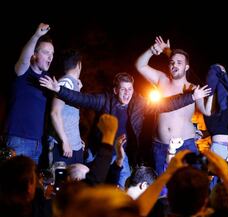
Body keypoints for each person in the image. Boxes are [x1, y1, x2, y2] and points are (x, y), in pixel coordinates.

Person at [39, 72, 210, 188]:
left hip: (122, 153)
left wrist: (192, 97)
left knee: (123, 185)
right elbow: (82, 99)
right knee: (94, 184)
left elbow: (165, 104)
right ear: (115, 90)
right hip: (99, 149)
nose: (127, 93)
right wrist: (59, 89)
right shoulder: (104, 100)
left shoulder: (139, 103)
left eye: (130, 89)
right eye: (123, 89)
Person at [135, 36, 211, 175]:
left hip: (186, 144)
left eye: (179, 63)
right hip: (160, 146)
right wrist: (152, 50)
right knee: (162, 186)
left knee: (191, 183)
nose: (174, 65)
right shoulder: (161, 79)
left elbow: (206, 111)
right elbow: (140, 65)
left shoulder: (193, 88)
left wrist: (211, 91)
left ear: (186, 67)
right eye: (172, 62)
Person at [4, 23, 53, 164]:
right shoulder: (22, 72)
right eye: (45, 52)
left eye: (52, 53)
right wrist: (37, 35)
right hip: (17, 140)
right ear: (34, 54)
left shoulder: (47, 78)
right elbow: (24, 60)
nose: (50, 56)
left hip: (37, 144)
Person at [50, 49, 84, 165]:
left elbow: (70, 113)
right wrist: (65, 141)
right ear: (79, 65)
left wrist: (77, 140)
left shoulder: (72, 83)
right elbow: (55, 113)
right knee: (60, 182)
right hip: (63, 147)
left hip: (74, 146)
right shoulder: (65, 82)